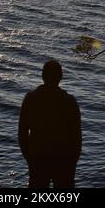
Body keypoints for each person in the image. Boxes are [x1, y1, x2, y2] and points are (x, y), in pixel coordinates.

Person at [18, 60, 82, 188]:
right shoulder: (69, 102)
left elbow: (22, 134)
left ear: (43, 76)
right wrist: (72, 162)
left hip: (38, 158)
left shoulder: (30, 99)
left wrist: (29, 157)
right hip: (63, 160)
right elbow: (77, 137)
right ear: (61, 77)